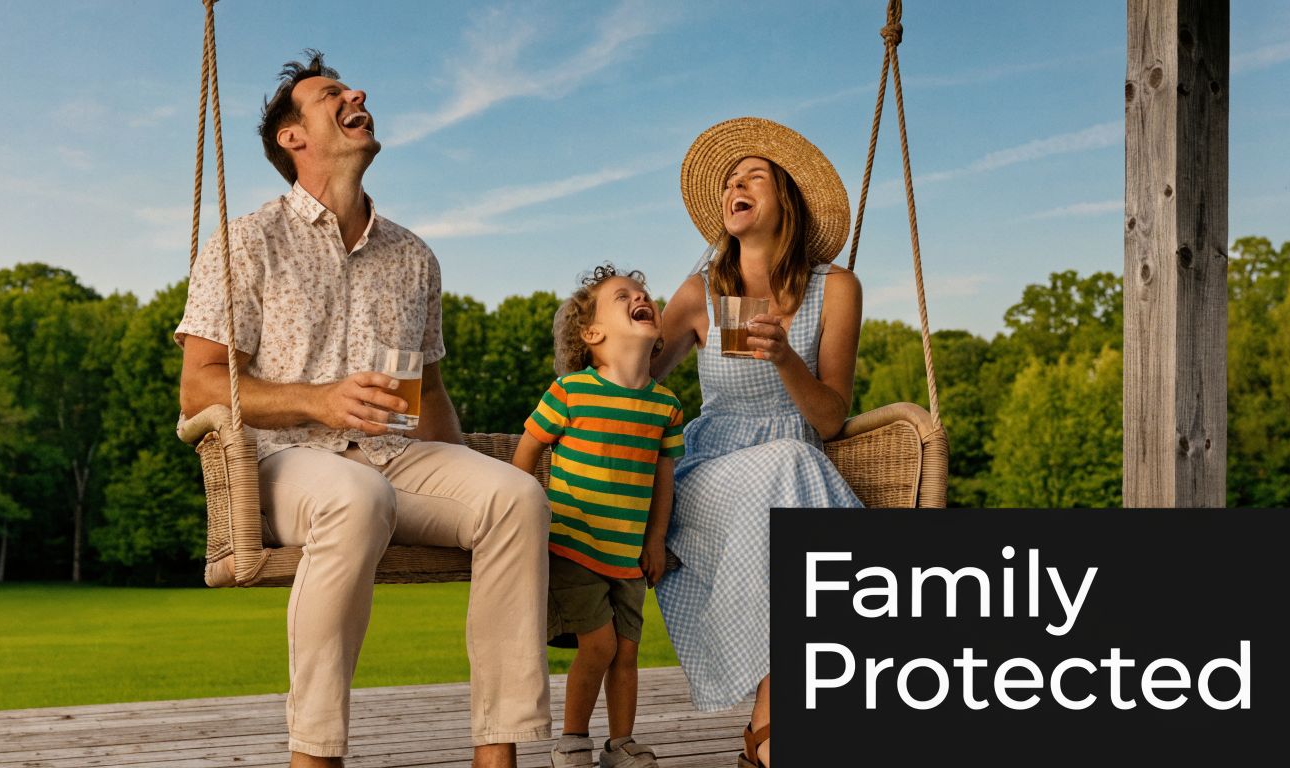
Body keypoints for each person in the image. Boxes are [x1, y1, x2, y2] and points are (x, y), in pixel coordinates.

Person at [175, 51, 551, 768]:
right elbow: (200, 387)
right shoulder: (247, 240)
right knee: (354, 493)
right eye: (331, 94)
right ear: (294, 138)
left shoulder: (415, 257)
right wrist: (318, 399)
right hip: (288, 465)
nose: (358, 93)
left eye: (352, 88)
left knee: (517, 498)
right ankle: (315, 755)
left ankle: (497, 752)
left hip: (396, 458)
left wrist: (463, 469)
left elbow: (430, 392)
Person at [650, 117, 865, 768]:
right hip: (713, 472)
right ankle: (782, 726)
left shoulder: (837, 289)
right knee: (798, 488)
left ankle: (768, 730)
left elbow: (830, 418)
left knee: (793, 475)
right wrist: (611, 332)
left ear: (787, 204)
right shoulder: (702, 295)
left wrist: (785, 361)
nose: (735, 187)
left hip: (796, 475)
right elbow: (631, 380)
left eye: (754, 178)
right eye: (729, 182)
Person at [511, 265, 683, 768]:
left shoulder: (665, 405)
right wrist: (520, 521)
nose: (641, 297)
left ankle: (620, 743)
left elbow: (664, 479)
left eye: (643, 293)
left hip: (628, 552)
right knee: (600, 644)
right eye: (623, 296)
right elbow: (526, 456)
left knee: (626, 650)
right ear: (592, 334)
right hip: (573, 543)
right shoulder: (570, 391)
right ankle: (572, 740)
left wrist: (654, 542)